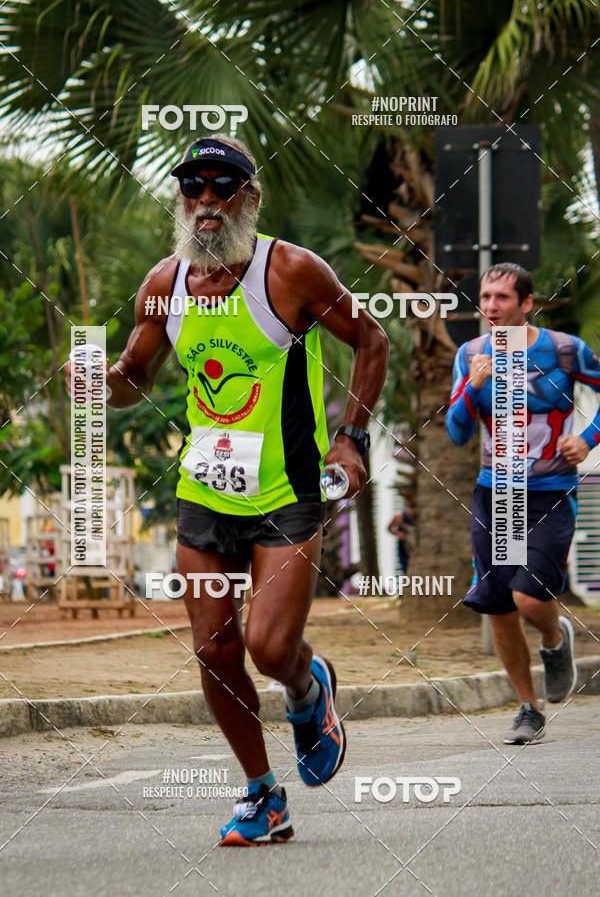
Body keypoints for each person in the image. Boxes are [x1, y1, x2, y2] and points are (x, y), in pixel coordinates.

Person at [66, 135, 388, 844]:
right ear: (180, 199)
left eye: (224, 187)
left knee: (271, 651)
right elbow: (135, 379)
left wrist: (351, 439)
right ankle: (262, 794)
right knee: (213, 648)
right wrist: (97, 386)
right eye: (194, 188)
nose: (207, 202)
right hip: (206, 491)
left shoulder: (292, 271)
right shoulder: (165, 284)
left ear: (251, 197)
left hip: (286, 491)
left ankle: (308, 689)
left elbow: (372, 340)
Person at [446, 262, 600, 745]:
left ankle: (556, 640)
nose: (490, 307)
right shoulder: (471, 353)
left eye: (502, 298)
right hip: (497, 491)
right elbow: (455, 433)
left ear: (526, 303)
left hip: (549, 493)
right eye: (485, 298)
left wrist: (588, 439)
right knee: (498, 606)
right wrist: (472, 386)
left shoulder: (564, 349)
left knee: (530, 597)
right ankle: (527, 708)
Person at [387, 506, 415, 573]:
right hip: (404, 544)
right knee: (405, 566)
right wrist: (397, 533)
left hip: (414, 545)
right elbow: (389, 528)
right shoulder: (399, 515)